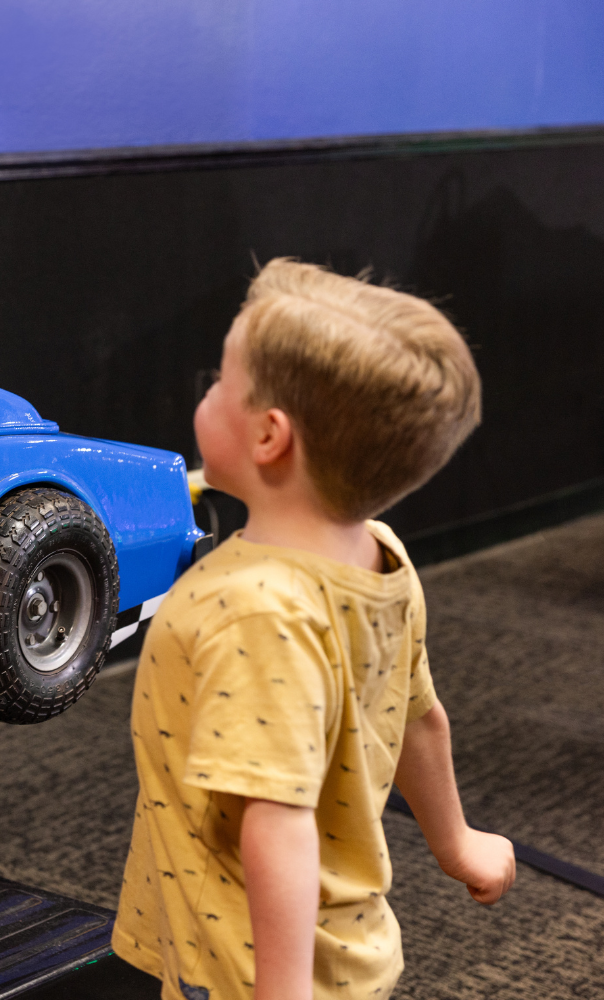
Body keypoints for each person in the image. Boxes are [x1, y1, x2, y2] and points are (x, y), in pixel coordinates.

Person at [112, 258, 515, 1000]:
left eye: (219, 383)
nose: (205, 394)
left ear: (270, 436)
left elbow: (278, 826)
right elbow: (421, 717)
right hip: (341, 946)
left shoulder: (258, 612)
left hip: (239, 967)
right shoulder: (379, 555)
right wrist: (458, 845)